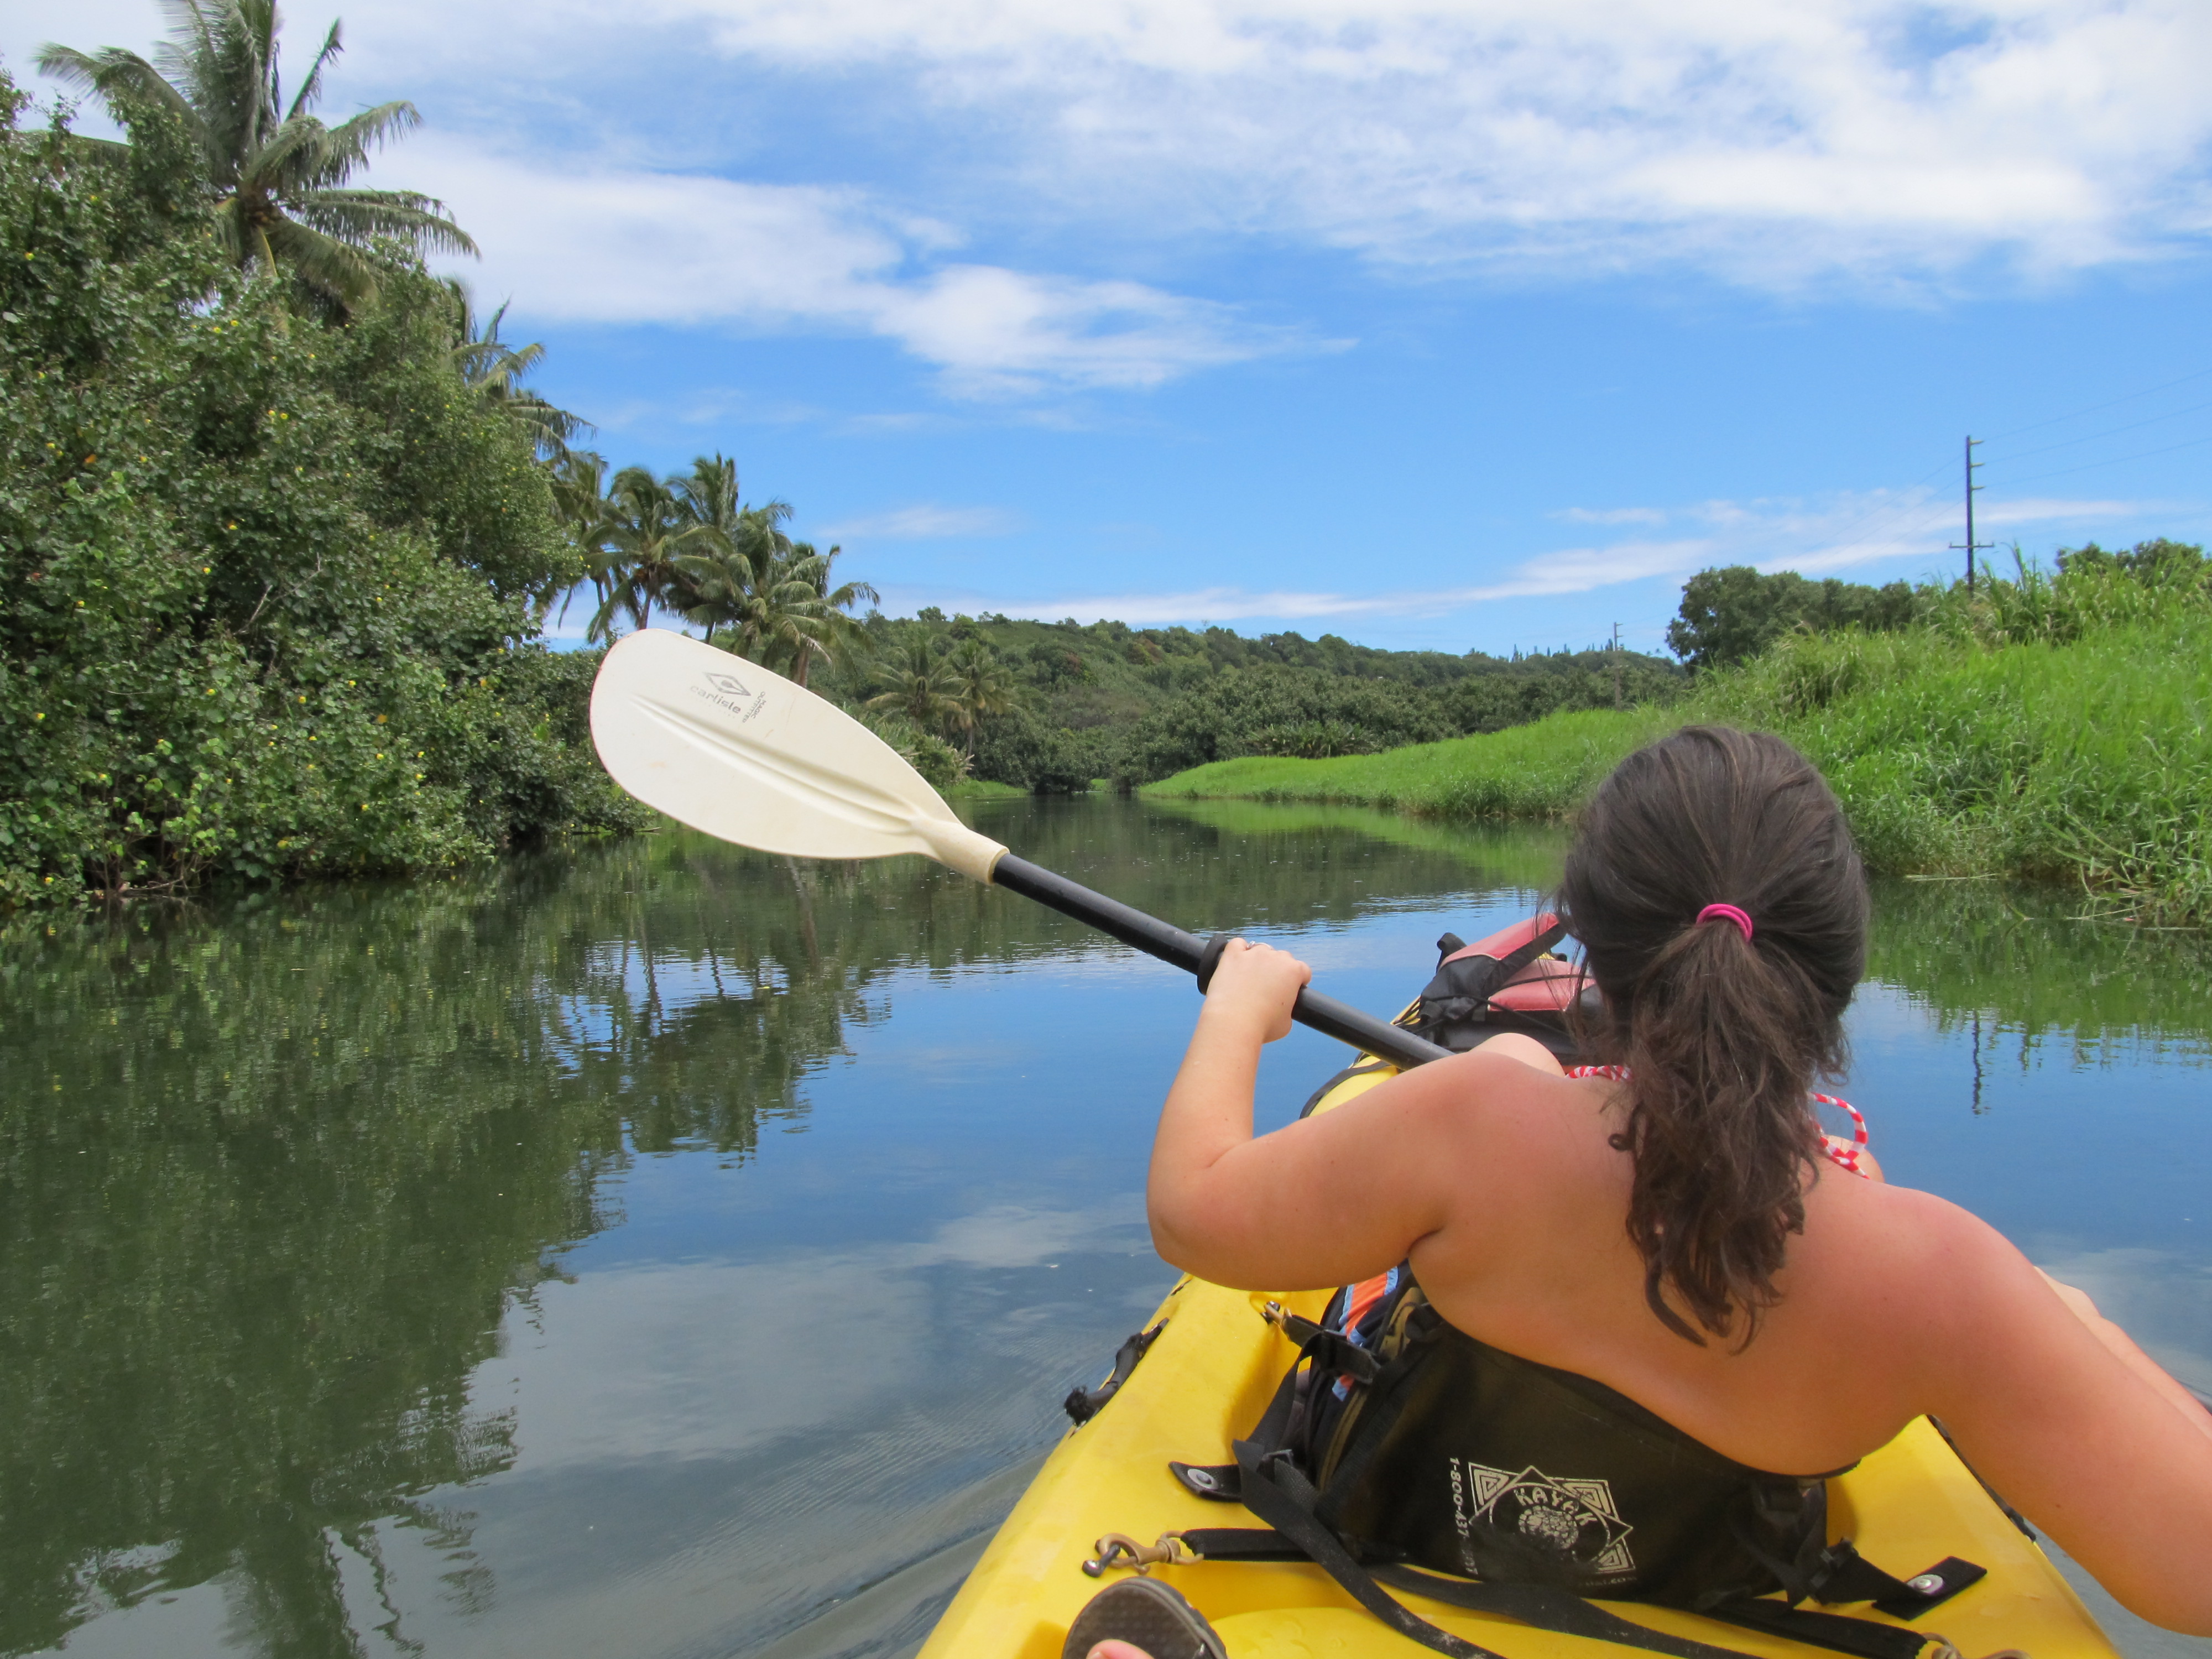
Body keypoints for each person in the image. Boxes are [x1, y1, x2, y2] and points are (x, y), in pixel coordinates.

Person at [1140, 725, 2212, 1636]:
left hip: (1421, 1553)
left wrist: (1236, 1014)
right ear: (1835, 973)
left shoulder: (1475, 1118)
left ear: (1593, 954)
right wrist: (2076, 1329)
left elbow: (1192, 1212)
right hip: (1719, 1594)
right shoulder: (1936, 1277)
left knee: (1511, 1058)